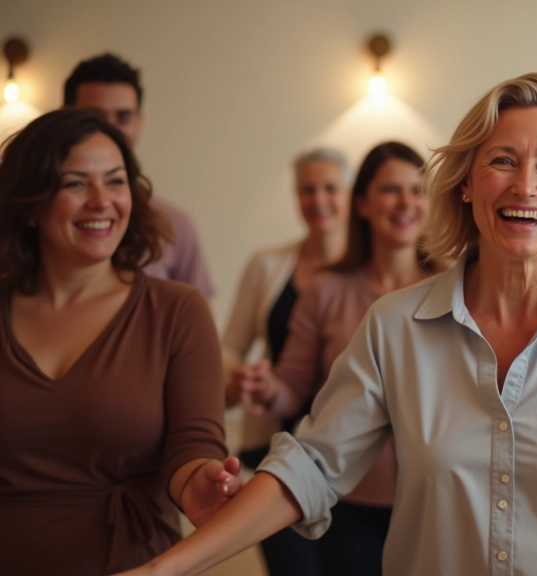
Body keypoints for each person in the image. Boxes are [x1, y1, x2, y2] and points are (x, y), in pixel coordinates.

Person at [115, 72, 537, 576]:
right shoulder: (395, 328)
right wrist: (167, 567)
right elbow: (314, 465)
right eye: (503, 161)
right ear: (466, 183)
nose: (526, 186)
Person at [0, 109, 238, 575]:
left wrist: (201, 483)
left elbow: (193, 449)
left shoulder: (176, 310)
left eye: (115, 181)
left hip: (132, 563)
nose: (100, 201)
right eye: (74, 184)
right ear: (29, 204)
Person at [235, 141, 435, 575]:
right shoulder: (325, 291)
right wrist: (268, 390)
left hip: (435, 504)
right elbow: (293, 388)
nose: (406, 203)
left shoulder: (457, 289)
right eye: (390, 190)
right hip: (348, 505)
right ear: (360, 202)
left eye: (417, 190)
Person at [219, 147, 350, 576]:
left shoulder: (375, 272)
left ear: (352, 195)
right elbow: (230, 347)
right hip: (274, 453)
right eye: (306, 190)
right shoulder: (267, 265)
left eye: (330, 187)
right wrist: (237, 378)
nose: (318, 199)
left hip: (350, 463)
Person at [64, 53, 215, 297]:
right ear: (63, 117)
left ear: (139, 123)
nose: (111, 129)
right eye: (94, 116)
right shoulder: (34, 218)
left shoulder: (175, 226)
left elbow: (197, 320)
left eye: (124, 117)